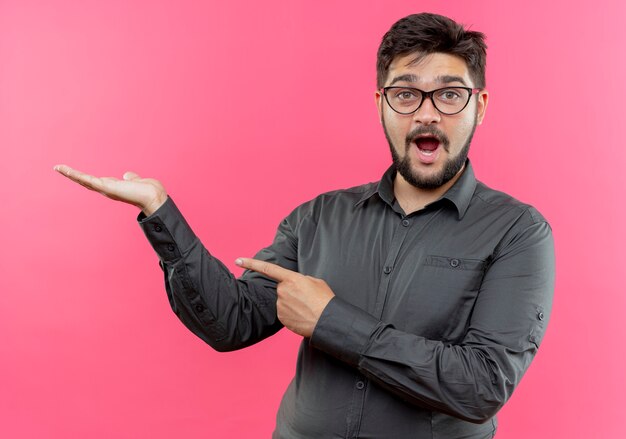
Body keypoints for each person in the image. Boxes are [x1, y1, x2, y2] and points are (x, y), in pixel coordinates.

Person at [55, 12, 555, 439]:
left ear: (479, 107)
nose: (427, 114)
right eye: (406, 94)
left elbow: (482, 385)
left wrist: (331, 321)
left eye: (449, 95)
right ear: (380, 103)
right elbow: (231, 322)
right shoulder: (318, 217)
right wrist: (161, 213)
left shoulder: (517, 233)